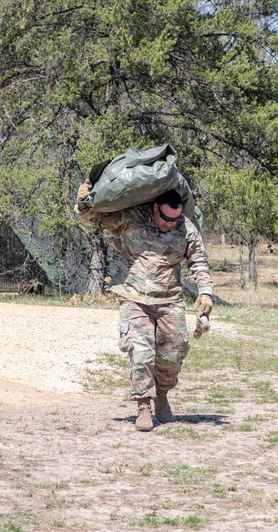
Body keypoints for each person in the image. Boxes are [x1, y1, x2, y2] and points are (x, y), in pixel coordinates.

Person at [76, 183, 214, 432]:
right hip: (135, 297)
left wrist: (205, 292)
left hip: (170, 300)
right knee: (141, 353)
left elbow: (199, 260)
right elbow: (93, 218)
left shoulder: (186, 227)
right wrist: (83, 201)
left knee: (173, 354)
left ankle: (162, 394)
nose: (169, 223)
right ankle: (144, 406)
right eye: (165, 218)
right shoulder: (131, 218)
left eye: (174, 219)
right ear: (154, 208)